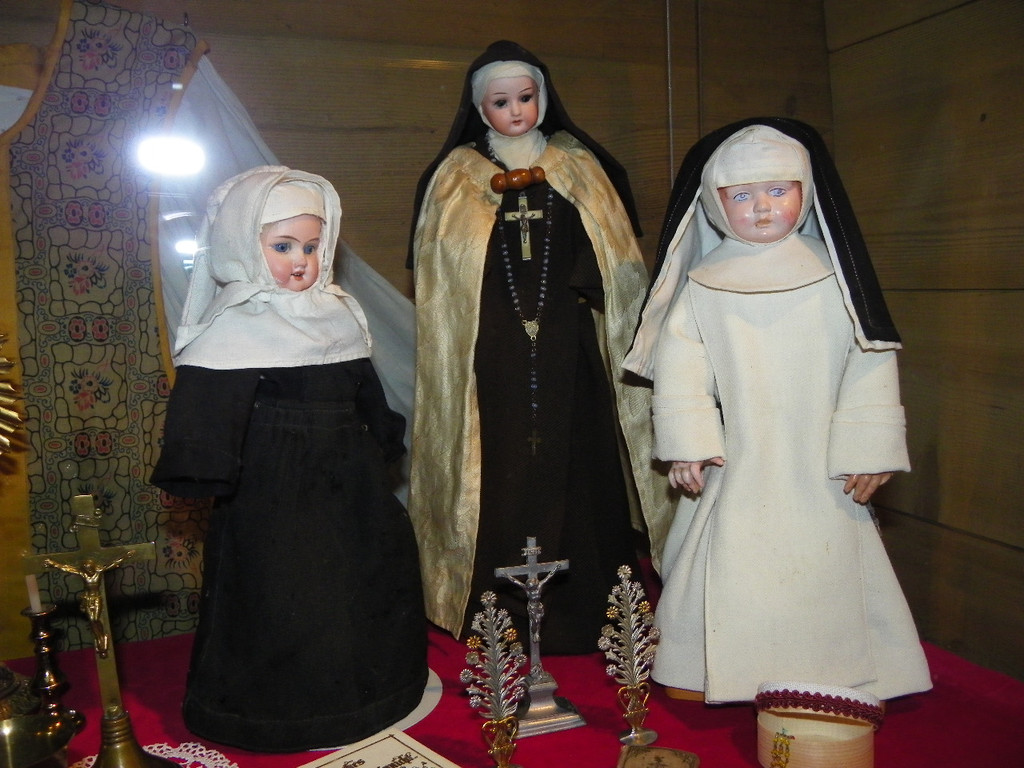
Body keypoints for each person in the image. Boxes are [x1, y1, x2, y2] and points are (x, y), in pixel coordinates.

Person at [624, 119, 932, 703]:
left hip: (822, 463)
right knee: (724, 564)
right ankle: (703, 665)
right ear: (715, 204)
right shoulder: (704, 284)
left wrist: (869, 447)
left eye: (777, 190)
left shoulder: (837, 277)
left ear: (805, 191)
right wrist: (689, 442)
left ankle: (842, 668)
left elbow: (869, 358)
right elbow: (683, 367)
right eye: (741, 195)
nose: (762, 208)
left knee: (831, 566)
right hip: (738, 460)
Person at [407, 41, 672, 655]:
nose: (516, 111)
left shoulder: (576, 163)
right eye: (501, 102)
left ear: (543, 98)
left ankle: (590, 605)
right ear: (480, 108)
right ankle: (492, 607)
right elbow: (442, 269)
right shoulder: (456, 175)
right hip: (492, 346)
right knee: (497, 464)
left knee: (579, 458)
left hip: (566, 339)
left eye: (525, 98)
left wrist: (589, 278)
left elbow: (610, 249)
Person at [151, 166, 427, 751]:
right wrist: (199, 467)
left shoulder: (336, 312)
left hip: (350, 482)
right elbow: (208, 407)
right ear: (240, 246)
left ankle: (370, 696)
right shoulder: (231, 327)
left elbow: (364, 389)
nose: (301, 260)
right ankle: (285, 715)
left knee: (364, 582)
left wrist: (384, 439)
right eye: (282, 246)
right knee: (282, 594)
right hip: (272, 490)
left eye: (311, 245)